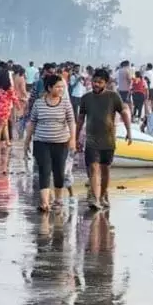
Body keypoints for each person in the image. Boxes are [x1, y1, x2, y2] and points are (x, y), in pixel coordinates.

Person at [77, 69, 134, 209]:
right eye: (94, 81)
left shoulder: (113, 97)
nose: (96, 84)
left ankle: (102, 195)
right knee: (94, 168)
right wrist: (76, 136)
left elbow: (124, 113)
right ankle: (95, 199)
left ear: (106, 83)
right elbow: (80, 118)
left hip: (108, 140)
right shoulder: (86, 98)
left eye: (99, 82)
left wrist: (129, 131)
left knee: (105, 169)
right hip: (91, 139)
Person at [25, 74, 77, 212]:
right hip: (41, 142)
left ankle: (58, 199)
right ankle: (45, 202)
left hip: (61, 142)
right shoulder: (39, 103)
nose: (61, 89)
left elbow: (71, 121)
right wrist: (27, 141)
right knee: (44, 170)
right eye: (58, 87)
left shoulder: (66, 103)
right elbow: (32, 122)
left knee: (59, 171)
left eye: (62, 87)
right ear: (49, 88)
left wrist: (73, 139)